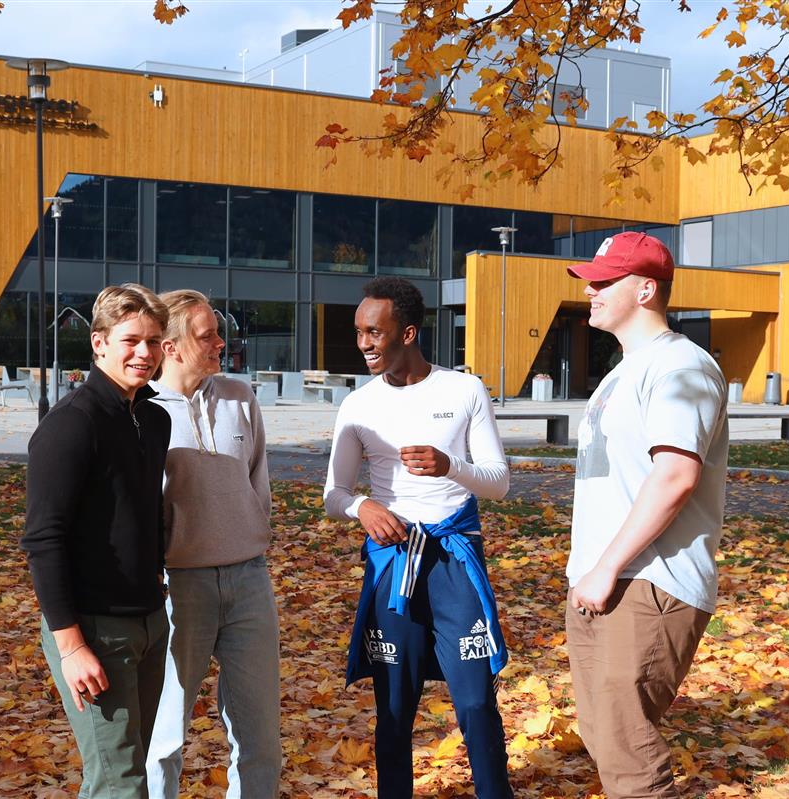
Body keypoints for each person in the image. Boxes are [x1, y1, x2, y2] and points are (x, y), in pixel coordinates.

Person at [323, 276, 514, 799]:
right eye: (358, 332)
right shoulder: (358, 405)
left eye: (374, 332)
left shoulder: (463, 390)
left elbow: (499, 482)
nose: (363, 343)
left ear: (407, 333)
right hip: (394, 562)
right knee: (393, 708)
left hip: (454, 561)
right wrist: (363, 507)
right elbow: (334, 494)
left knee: (475, 702)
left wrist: (451, 466)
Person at [564, 232, 729, 799]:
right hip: (605, 579)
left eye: (604, 281)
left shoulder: (682, 367)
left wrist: (607, 567)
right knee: (605, 736)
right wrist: (592, 571)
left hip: (648, 580)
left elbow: (675, 477)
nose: (590, 290)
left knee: (627, 751)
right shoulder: (623, 371)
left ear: (645, 289)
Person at [21, 283, 172, 799]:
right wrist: (72, 648)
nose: (144, 353)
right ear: (99, 342)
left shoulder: (153, 419)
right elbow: (43, 539)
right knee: (120, 783)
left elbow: (143, 512)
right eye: (131, 340)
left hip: (149, 621)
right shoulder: (71, 425)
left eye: (154, 341)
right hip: (93, 630)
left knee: (121, 772)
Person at [145, 290, 282, 799]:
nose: (221, 343)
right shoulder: (143, 410)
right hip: (180, 587)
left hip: (249, 580)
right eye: (208, 336)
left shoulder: (239, 397)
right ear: (173, 347)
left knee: (260, 737)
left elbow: (258, 480)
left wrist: (250, 530)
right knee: (163, 737)